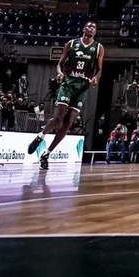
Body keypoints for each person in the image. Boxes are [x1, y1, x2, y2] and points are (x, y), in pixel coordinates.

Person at [28, 21, 103, 169]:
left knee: (68, 123)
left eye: (94, 27)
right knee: (58, 118)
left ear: (95, 31)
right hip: (68, 84)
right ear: (83, 28)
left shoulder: (99, 48)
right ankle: (40, 136)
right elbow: (59, 63)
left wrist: (96, 78)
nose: (91, 28)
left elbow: (99, 70)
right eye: (89, 26)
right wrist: (60, 73)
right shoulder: (72, 44)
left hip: (82, 88)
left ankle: (46, 154)